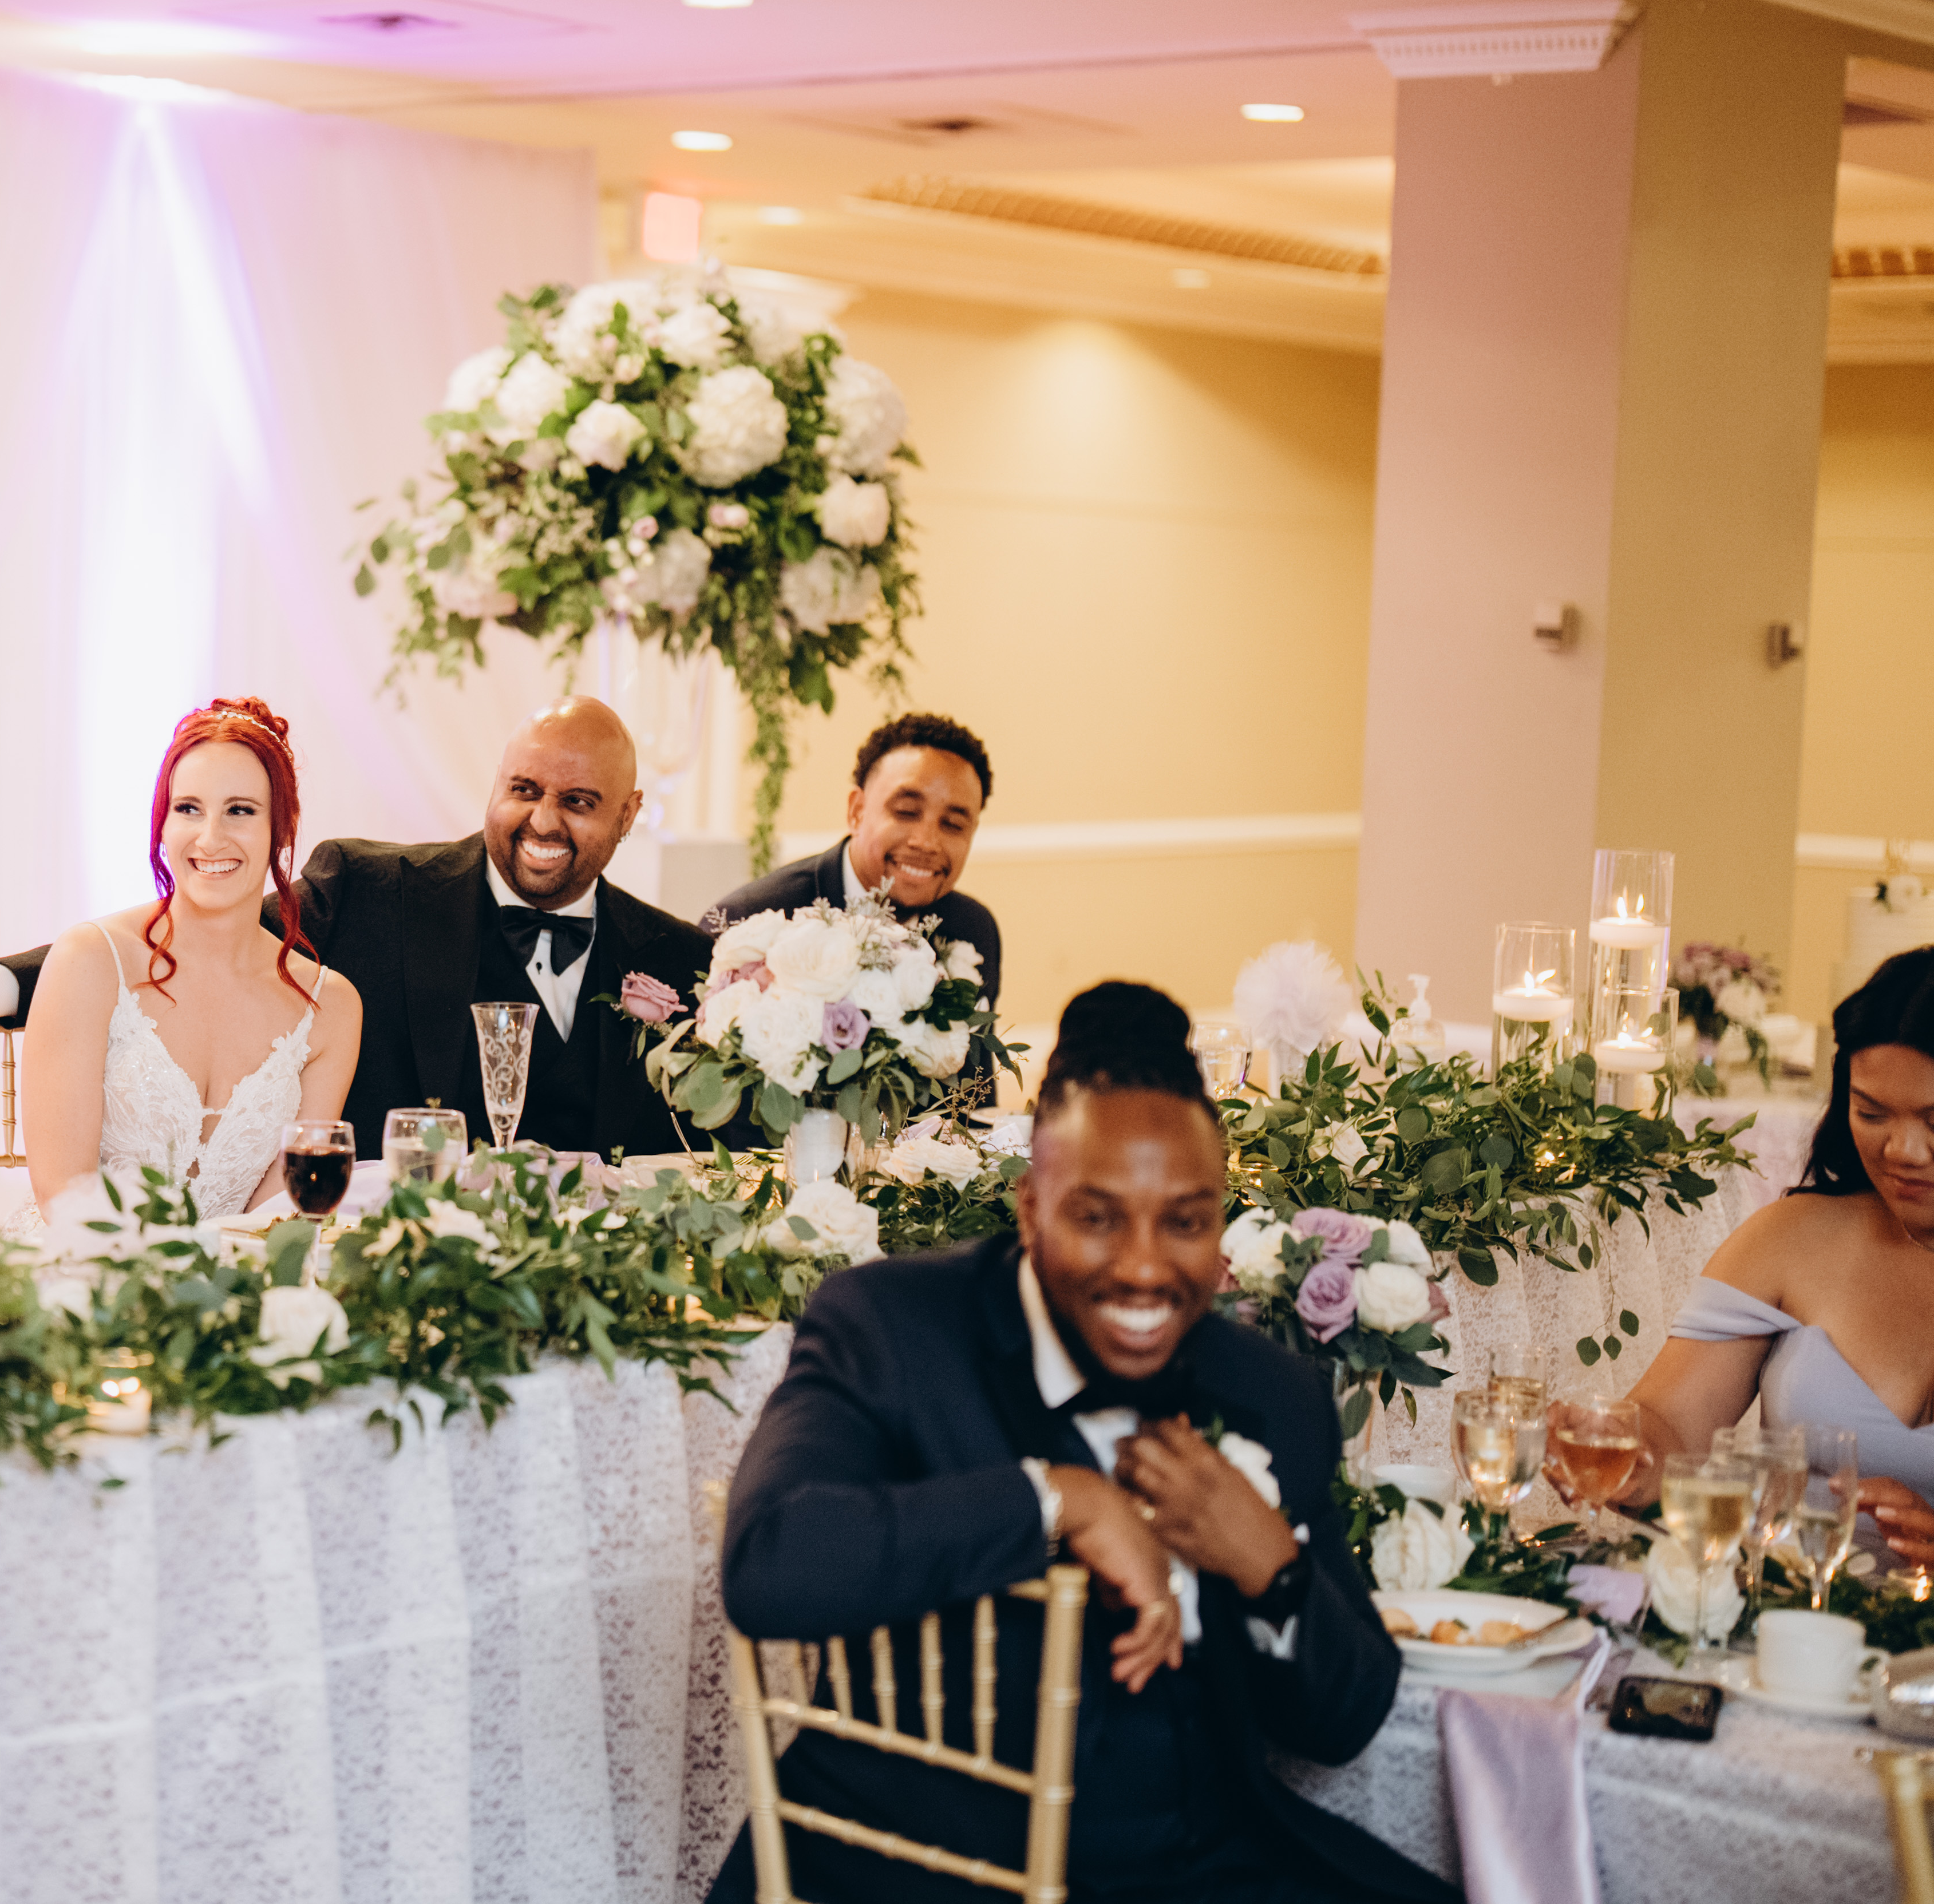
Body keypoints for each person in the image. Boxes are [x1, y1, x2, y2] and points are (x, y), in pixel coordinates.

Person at [712, 981, 1448, 1904]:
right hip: (928, 1868)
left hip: (1202, 1861)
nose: (1143, 1267)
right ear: (1030, 1211)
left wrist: (1269, 1565)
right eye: (1097, 1217)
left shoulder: (1269, 1390)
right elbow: (770, 1561)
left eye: (1184, 1221)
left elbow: (1344, 1721)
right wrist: (1061, 1499)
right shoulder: (894, 1329)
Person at [0, 697, 718, 1160]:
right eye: (523, 790)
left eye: (579, 801)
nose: (543, 820)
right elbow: (182, 938)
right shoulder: (374, 890)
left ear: (629, 813)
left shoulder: (684, 961)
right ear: (494, 785)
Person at [1620, 943, 1934, 1569]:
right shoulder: (1791, 1238)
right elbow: (1669, 1432)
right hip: (1781, 1611)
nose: (1903, 1150)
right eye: (1871, 1112)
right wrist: (1612, 1448)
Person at [19, 698, 363, 1218]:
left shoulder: (329, 1007)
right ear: (162, 823)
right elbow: (63, 1194)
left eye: (240, 811)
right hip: (82, 1257)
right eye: (188, 809)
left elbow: (282, 1213)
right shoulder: (90, 960)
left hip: (243, 1269)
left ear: (283, 827)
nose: (210, 838)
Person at [702, 711, 1002, 1009]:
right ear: (857, 812)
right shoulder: (746, 927)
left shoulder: (974, 930)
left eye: (953, 825)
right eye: (906, 812)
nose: (926, 842)